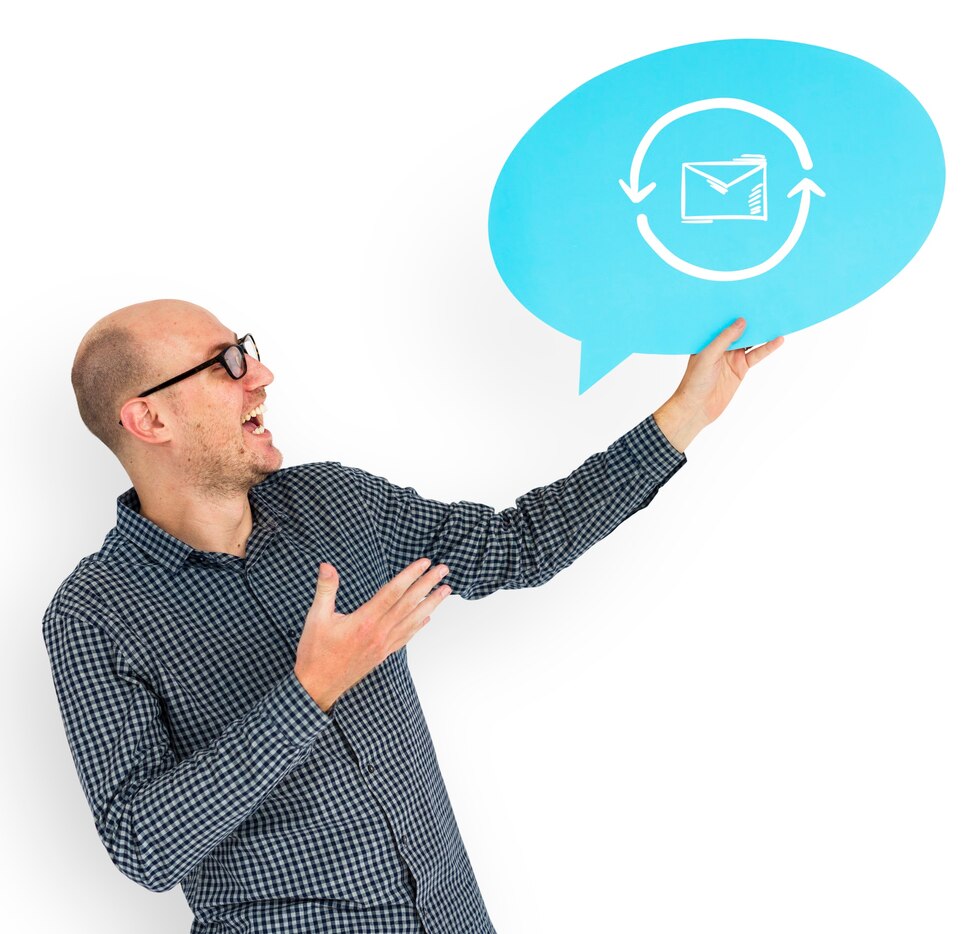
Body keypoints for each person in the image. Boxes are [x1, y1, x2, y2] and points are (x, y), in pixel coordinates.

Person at [43, 299, 783, 933]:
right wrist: (308, 694)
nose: (259, 375)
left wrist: (684, 418)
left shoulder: (335, 504)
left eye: (250, 353)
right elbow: (143, 845)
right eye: (225, 364)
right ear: (148, 417)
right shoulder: (93, 615)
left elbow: (518, 545)